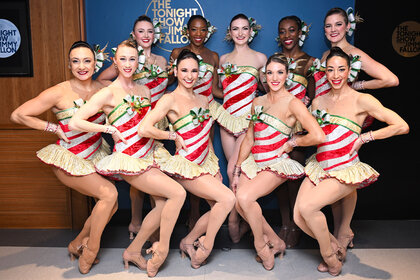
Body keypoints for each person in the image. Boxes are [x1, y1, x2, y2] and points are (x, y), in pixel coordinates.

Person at [69, 40, 186, 277]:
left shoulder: (144, 90)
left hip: (149, 153)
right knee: (178, 193)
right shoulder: (108, 92)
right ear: (115, 61)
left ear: (138, 61)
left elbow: (147, 125)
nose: (128, 64)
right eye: (122, 59)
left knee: (163, 204)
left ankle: (133, 251)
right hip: (128, 159)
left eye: (132, 59)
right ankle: (156, 250)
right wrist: (107, 130)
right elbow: (75, 121)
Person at [293, 47, 409, 276]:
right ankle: (336, 245)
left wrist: (366, 137)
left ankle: (331, 258)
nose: (336, 75)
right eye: (330, 70)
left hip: (345, 168)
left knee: (307, 208)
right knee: (298, 218)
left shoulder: (362, 99)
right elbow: (314, 134)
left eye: (341, 69)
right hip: (320, 165)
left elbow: (402, 126)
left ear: (350, 71)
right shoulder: (318, 102)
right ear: (324, 72)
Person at [10, 41, 118, 274]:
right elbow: (18, 114)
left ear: (95, 63)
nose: (82, 66)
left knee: (112, 203)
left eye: (87, 61)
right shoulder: (59, 91)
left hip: (94, 154)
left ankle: (77, 243)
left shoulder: (102, 88)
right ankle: (90, 251)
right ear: (69, 65)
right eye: (76, 61)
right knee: (109, 194)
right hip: (69, 158)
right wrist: (51, 127)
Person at [138, 49, 236, 269]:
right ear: (175, 71)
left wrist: (214, 165)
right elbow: (144, 128)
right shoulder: (169, 98)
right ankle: (205, 247)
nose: (189, 75)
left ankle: (187, 241)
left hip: (204, 165)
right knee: (228, 199)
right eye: (184, 70)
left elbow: (206, 136)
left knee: (218, 207)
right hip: (185, 166)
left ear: (199, 72)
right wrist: (171, 135)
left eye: (194, 71)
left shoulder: (203, 99)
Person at [314, 7, 400, 253]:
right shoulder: (325, 54)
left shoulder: (354, 54)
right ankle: (341, 229)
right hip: (326, 114)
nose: (333, 30)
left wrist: (359, 84)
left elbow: (390, 79)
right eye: (328, 26)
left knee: (346, 170)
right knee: (332, 171)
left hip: (346, 116)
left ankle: (344, 230)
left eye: (338, 25)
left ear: (347, 27)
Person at [232, 54, 325, 270]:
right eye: (270, 72)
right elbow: (249, 138)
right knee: (240, 201)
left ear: (287, 75)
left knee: (245, 197)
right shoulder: (258, 101)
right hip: (255, 160)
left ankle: (261, 246)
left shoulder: (293, 103)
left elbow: (318, 135)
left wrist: (292, 143)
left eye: (280, 72)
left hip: (276, 162)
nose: (274, 78)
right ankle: (276, 241)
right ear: (264, 76)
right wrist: (237, 170)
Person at [97, 15, 168, 241]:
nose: (146, 35)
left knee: (153, 170)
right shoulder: (127, 58)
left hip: (155, 120)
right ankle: (135, 221)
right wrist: (123, 100)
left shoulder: (162, 61)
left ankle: (153, 225)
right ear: (134, 34)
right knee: (136, 171)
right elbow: (101, 80)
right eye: (141, 31)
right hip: (132, 121)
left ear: (154, 35)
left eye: (149, 31)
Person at [214, 13, 267, 243]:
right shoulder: (223, 59)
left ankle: (234, 221)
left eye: (244, 28)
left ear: (250, 31)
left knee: (234, 171)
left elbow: (268, 87)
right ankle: (241, 222)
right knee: (231, 169)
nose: (240, 33)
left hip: (248, 121)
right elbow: (219, 90)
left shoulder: (260, 58)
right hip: (227, 119)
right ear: (230, 32)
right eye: (235, 28)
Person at [169, 15, 222, 230]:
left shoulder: (214, 56)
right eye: (194, 29)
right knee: (187, 161)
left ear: (207, 32)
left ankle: (202, 215)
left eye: (202, 30)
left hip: (205, 114)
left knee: (204, 160)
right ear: (187, 31)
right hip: (183, 115)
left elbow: (216, 89)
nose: (198, 34)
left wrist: (244, 95)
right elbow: (171, 81)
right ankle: (192, 212)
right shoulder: (177, 53)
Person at [273, 15, 316, 248]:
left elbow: (314, 98)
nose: (287, 35)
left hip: (297, 128)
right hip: (276, 125)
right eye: (282, 31)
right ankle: (285, 223)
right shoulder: (275, 61)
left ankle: (297, 225)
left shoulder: (310, 62)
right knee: (278, 177)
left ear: (301, 32)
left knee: (294, 178)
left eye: (292, 30)